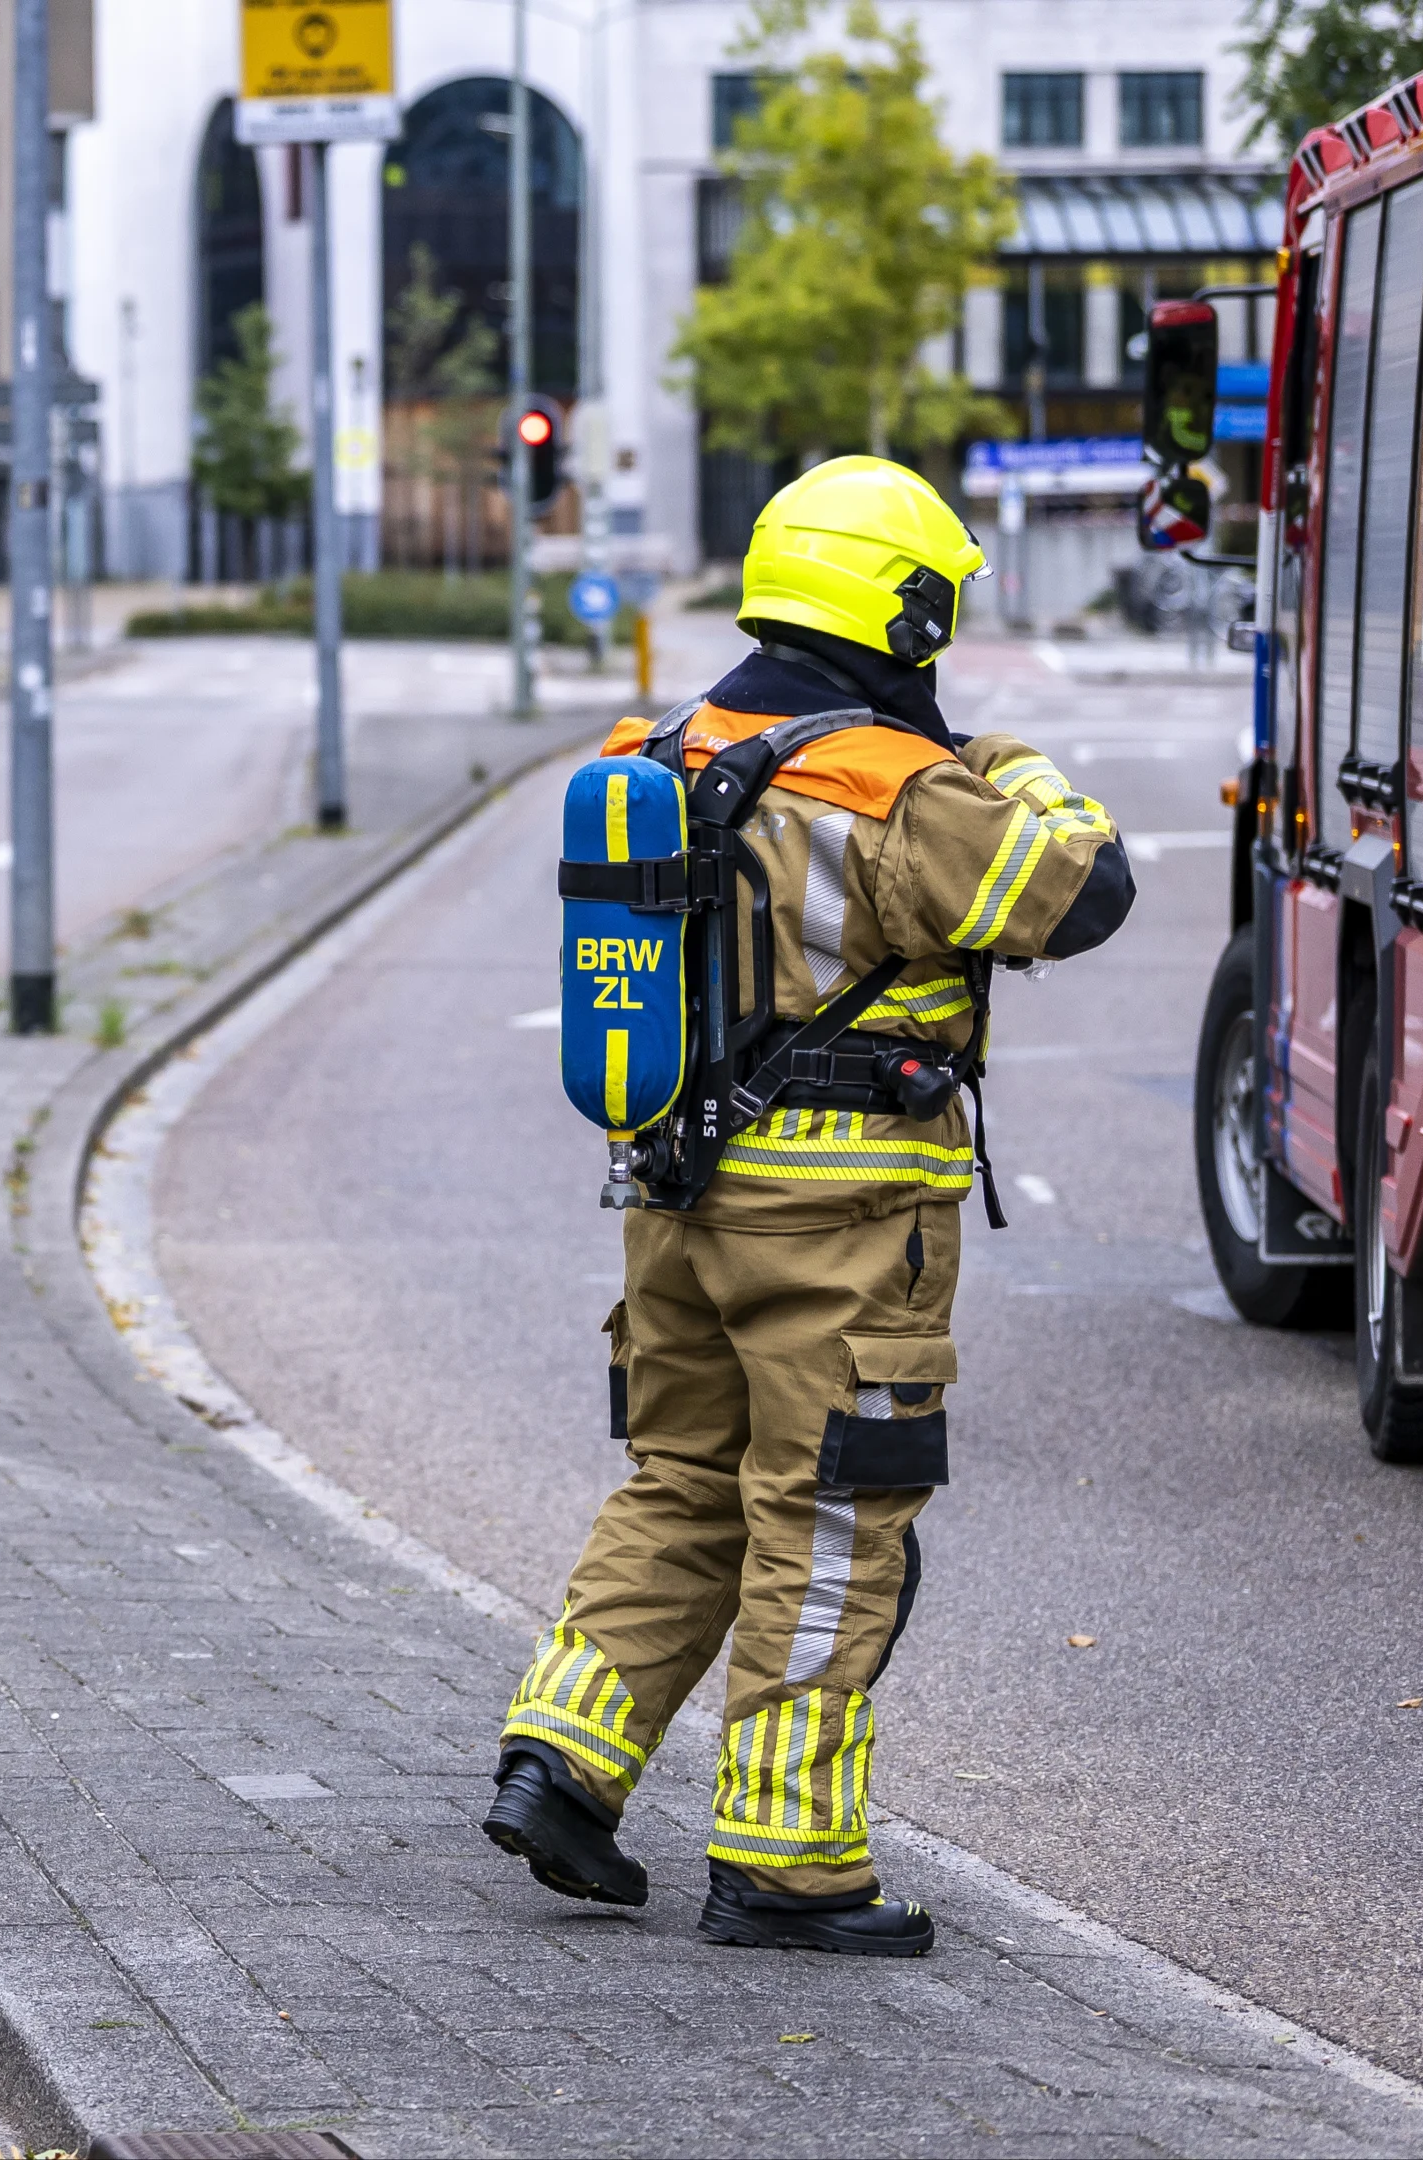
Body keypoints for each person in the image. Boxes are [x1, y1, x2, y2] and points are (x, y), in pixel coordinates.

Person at [484, 456, 1133, 1955]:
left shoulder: (673, 744)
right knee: (835, 1513)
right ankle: (787, 1858)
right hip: (843, 1218)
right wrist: (1020, 764)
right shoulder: (900, 784)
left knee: (680, 1476)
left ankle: (562, 1758)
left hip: (672, 1193)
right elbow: (1078, 895)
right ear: (902, 608)